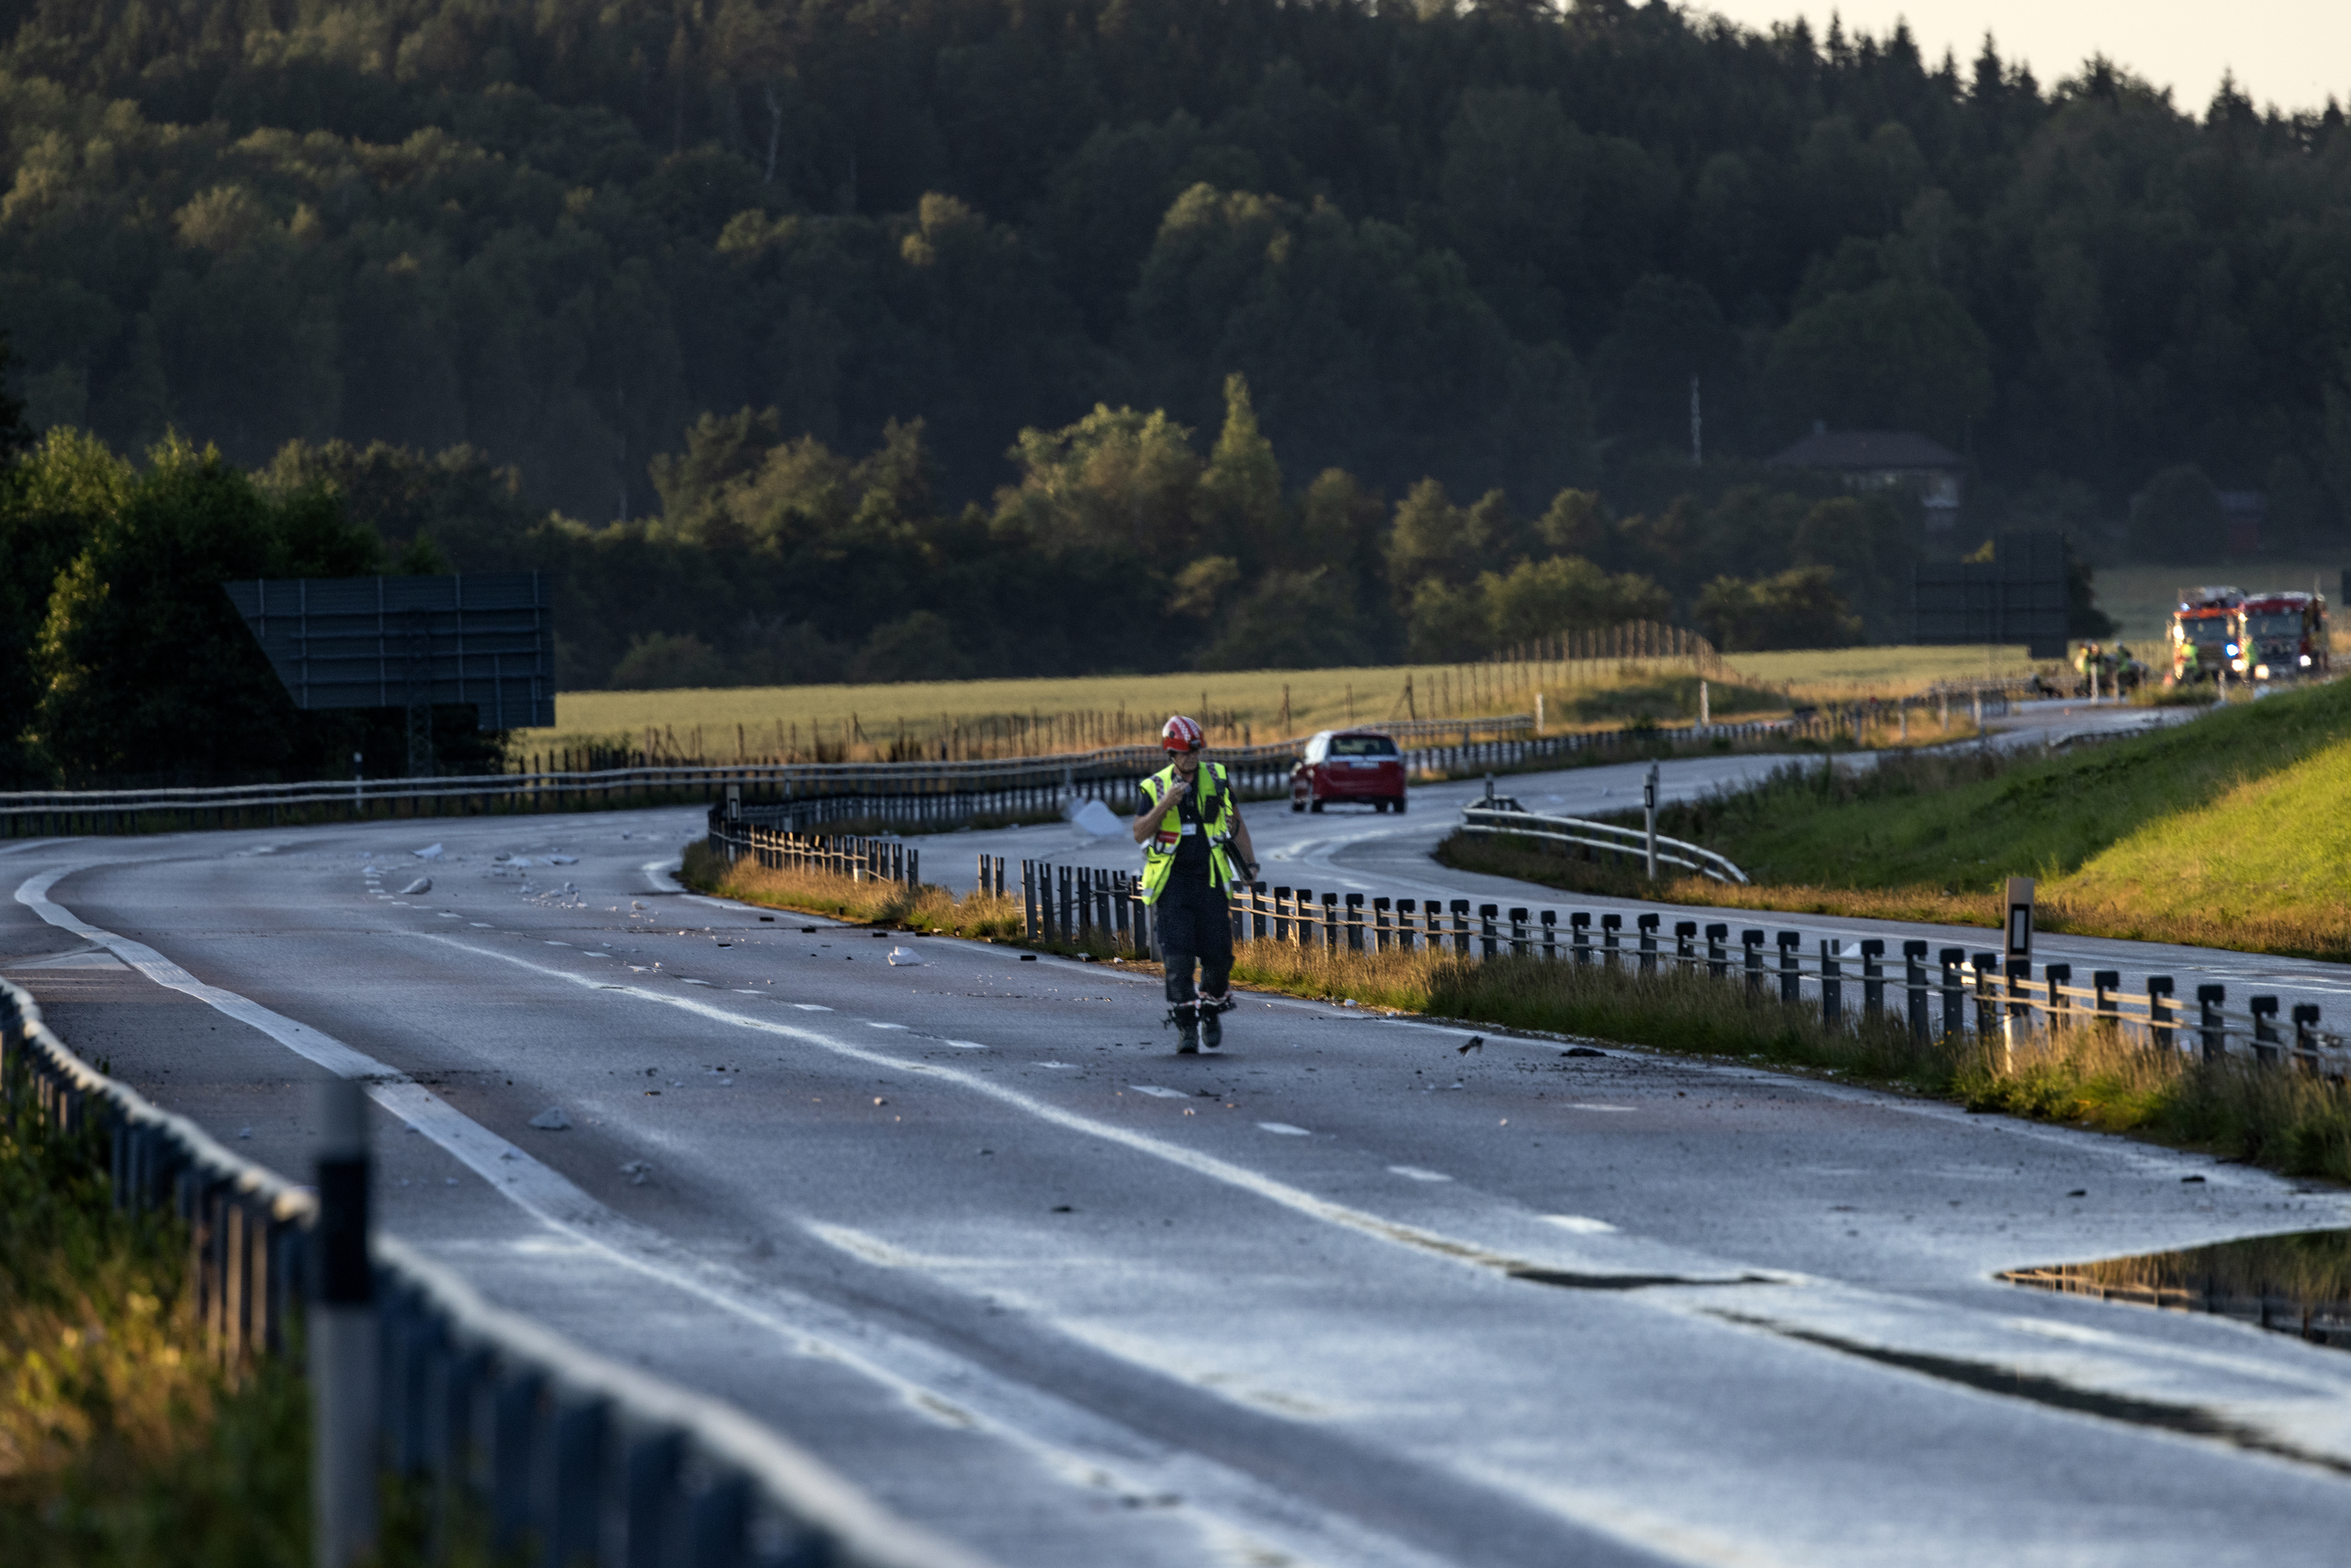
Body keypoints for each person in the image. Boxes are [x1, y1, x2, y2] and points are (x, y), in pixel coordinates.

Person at [1133, 714, 1260, 1053]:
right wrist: (1166, 804)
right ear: (1171, 754)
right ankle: (1187, 1028)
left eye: (1196, 752)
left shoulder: (1216, 777)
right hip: (1173, 888)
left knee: (1219, 958)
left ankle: (1212, 1008)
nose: (1192, 759)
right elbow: (1139, 833)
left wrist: (1249, 864)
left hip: (1210, 883)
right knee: (1178, 962)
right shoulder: (1155, 787)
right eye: (1185, 754)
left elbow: (1235, 823)